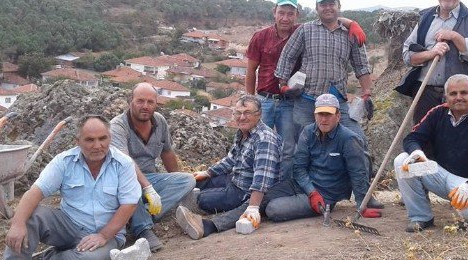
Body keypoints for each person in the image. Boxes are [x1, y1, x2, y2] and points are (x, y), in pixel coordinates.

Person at [0, 115, 141, 260]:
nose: (97, 145)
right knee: (31, 216)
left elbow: (129, 205)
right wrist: (17, 223)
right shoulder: (64, 161)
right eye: (89, 140)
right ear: (78, 141)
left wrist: (103, 235)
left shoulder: (123, 164)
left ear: (109, 137)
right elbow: (35, 193)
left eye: (103, 138)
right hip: (68, 225)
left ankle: (46, 259)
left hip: (107, 234)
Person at [174, 94, 381, 239]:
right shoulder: (309, 132)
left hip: (326, 194)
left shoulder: (349, 139)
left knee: (273, 209)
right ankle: (210, 225)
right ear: (315, 114)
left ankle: (209, 222)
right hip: (299, 184)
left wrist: (362, 204)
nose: (324, 119)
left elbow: (358, 173)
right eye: (320, 114)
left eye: (329, 114)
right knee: (259, 200)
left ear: (338, 115)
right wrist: (310, 191)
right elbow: (299, 168)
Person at [246, 0, 366, 180]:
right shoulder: (262, 36)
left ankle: (285, 186)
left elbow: (329, 18)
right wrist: (250, 100)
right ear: (274, 12)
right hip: (265, 100)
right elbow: (251, 69)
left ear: (297, 15)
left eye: (290, 13)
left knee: (290, 149)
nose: (285, 17)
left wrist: (353, 24)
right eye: (281, 12)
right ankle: (248, 182)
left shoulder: (302, 30)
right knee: (255, 142)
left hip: (289, 101)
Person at [394, 74, 468, 231]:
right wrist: (416, 152)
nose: (458, 97)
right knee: (402, 161)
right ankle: (421, 217)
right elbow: (412, 138)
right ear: (446, 96)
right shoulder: (437, 113)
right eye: (453, 94)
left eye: (464, 93)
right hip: (439, 175)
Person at [273, 0, 374, 144]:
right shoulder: (305, 30)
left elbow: (361, 65)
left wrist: (367, 93)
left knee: (357, 141)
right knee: (304, 145)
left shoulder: (351, 33)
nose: (327, 7)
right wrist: (283, 85)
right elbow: (288, 56)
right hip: (307, 100)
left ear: (338, 6)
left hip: (338, 101)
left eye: (331, 3)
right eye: (323, 4)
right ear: (317, 8)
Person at [176, 95, 281, 238]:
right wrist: (208, 173)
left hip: (243, 191)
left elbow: (262, 179)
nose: (242, 117)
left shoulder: (265, 139)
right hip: (234, 178)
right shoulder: (243, 133)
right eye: (238, 113)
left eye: (247, 113)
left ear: (259, 114)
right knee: (198, 181)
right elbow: (231, 159)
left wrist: (253, 207)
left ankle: (193, 210)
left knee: (201, 199)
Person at [110, 82, 196, 251]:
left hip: (151, 177)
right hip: (123, 180)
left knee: (187, 180)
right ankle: (143, 229)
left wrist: (175, 180)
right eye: (140, 101)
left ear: (156, 104)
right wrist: (147, 188)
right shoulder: (118, 126)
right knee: (131, 186)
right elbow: (126, 163)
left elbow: (167, 153)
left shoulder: (159, 121)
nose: (145, 106)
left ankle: (141, 214)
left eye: (150, 102)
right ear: (130, 102)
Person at [397, 0, 468, 125]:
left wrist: (455, 37)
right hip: (425, 94)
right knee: (424, 142)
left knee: (458, 143)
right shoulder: (425, 18)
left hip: (459, 97)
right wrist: (431, 53)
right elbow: (407, 55)